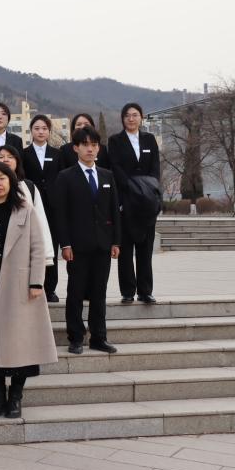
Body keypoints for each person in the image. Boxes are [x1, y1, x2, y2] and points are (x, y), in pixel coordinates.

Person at [0, 162, 58, 419]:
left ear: (11, 181)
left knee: (23, 343)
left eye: (2, 178)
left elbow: (38, 247)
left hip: (21, 286)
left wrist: (37, 282)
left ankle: (15, 397)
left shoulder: (25, 209)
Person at [52, 126, 121, 355]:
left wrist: (116, 241)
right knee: (75, 292)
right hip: (77, 246)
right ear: (76, 148)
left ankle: (99, 337)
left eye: (94, 145)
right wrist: (65, 244)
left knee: (99, 292)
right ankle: (76, 337)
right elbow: (60, 214)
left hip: (103, 244)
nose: (90, 149)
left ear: (98, 148)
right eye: (85, 145)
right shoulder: (66, 177)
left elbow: (114, 210)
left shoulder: (107, 175)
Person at [107, 102, 161, 304]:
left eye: (135, 115)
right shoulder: (115, 141)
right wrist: (132, 186)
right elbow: (115, 167)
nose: (131, 118)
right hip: (126, 200)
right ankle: (128, 291)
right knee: (126, 249)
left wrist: (149, 188)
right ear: (123, 119)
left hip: (147, 203)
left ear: (141, 118)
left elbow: (155, 167)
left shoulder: (149, 139)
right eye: (127, 115)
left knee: (145, 250)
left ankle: (145, 291)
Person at [0, 145, 54, 271]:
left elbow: (40, 221)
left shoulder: (29, 187)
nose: (5, 160)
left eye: (10, 157)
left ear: (17, 161)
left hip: (23, 255)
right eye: (1, 157)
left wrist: (46, 255)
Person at [23, 114, 62, 302]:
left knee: (51, 245)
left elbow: (62, 177)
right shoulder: (23, 154)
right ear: (31, 131)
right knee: (33, 246)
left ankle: (50, 288)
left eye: (44, 128)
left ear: (49, 131)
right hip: (32, 205)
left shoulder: (57, 154)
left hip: (53, 206)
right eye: (37, 128)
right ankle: (34, 284)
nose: (40, 132)